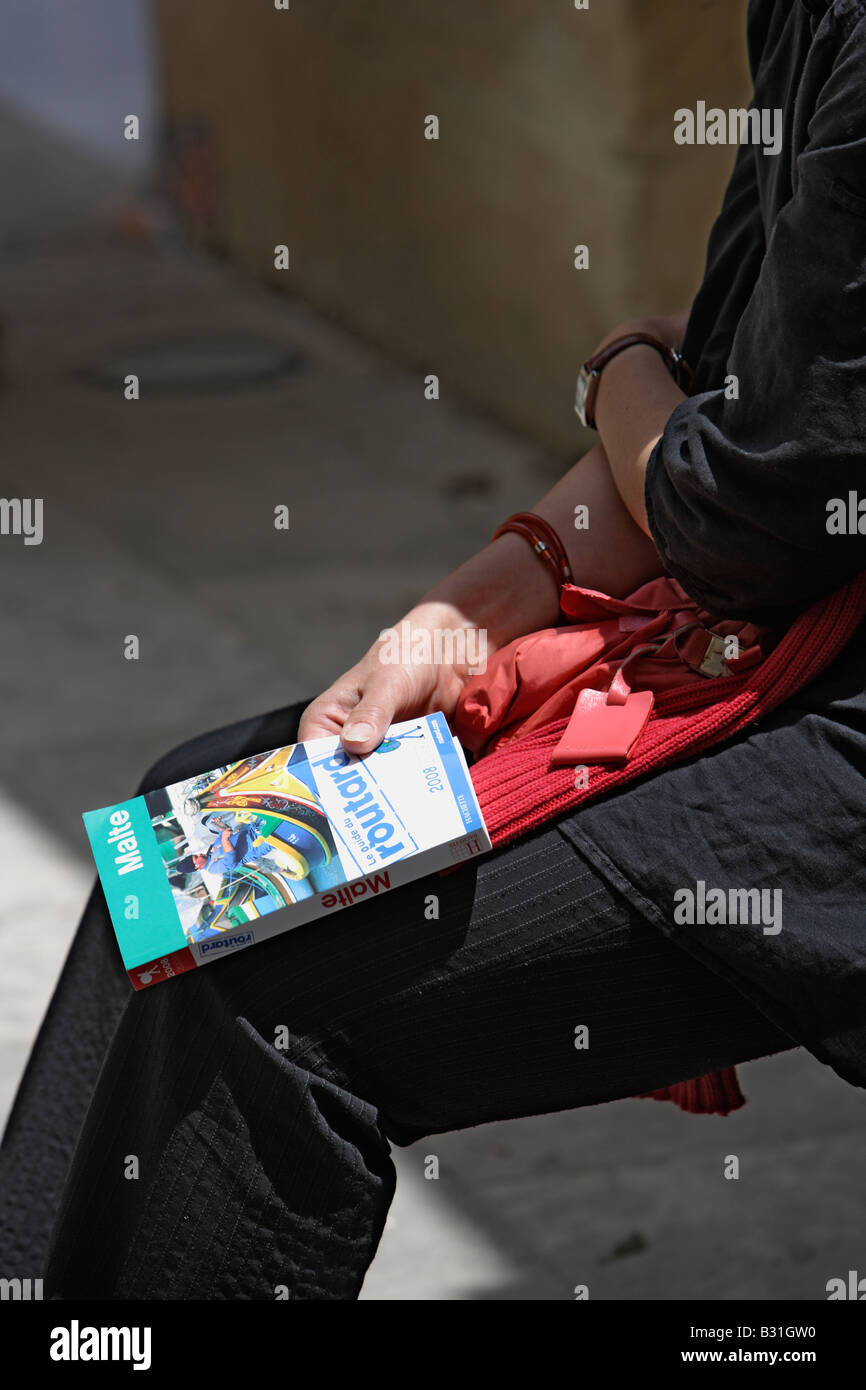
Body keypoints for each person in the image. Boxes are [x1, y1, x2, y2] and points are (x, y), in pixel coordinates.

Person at [1, 0, 865, 1299]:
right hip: (768, 634)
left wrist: (620, 363)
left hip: (823, 723)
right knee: (185, 846)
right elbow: (731, 407)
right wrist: (451, 624)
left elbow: (740, 506)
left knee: (261, 975)